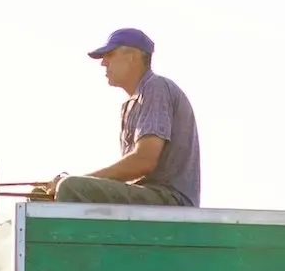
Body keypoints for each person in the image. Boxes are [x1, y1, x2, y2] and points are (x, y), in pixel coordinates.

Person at [41, 28, 201, 206]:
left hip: (169, 199)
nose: (103, 63)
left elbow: (143, 161)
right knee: (40, 196)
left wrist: (77, 180)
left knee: (70, 187)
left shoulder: (155, 88)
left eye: (109, 55)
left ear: (131, 56)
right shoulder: (131, 104)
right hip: (150, 196)